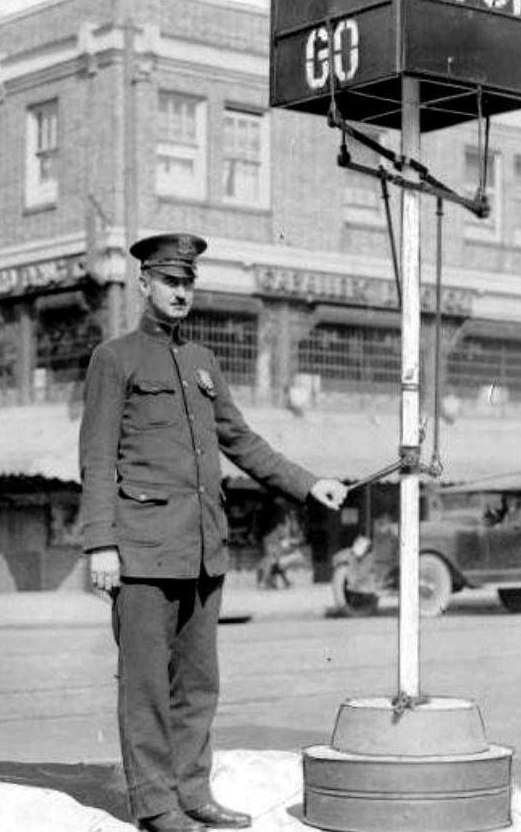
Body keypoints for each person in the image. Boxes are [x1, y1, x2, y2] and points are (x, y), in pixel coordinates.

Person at [79, 232, 348, 832]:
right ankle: (154, 804)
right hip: (143, 551)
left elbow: (242, 440)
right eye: (170, 281)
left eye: (189, 282)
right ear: (144, 283)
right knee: (146, 686)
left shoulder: (201, 362)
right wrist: (101, 543)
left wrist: (309, 484)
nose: (181, 292)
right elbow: (97, 457)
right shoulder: (115, 358)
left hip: (204, 548)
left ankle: (193, 794)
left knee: (199, 685)